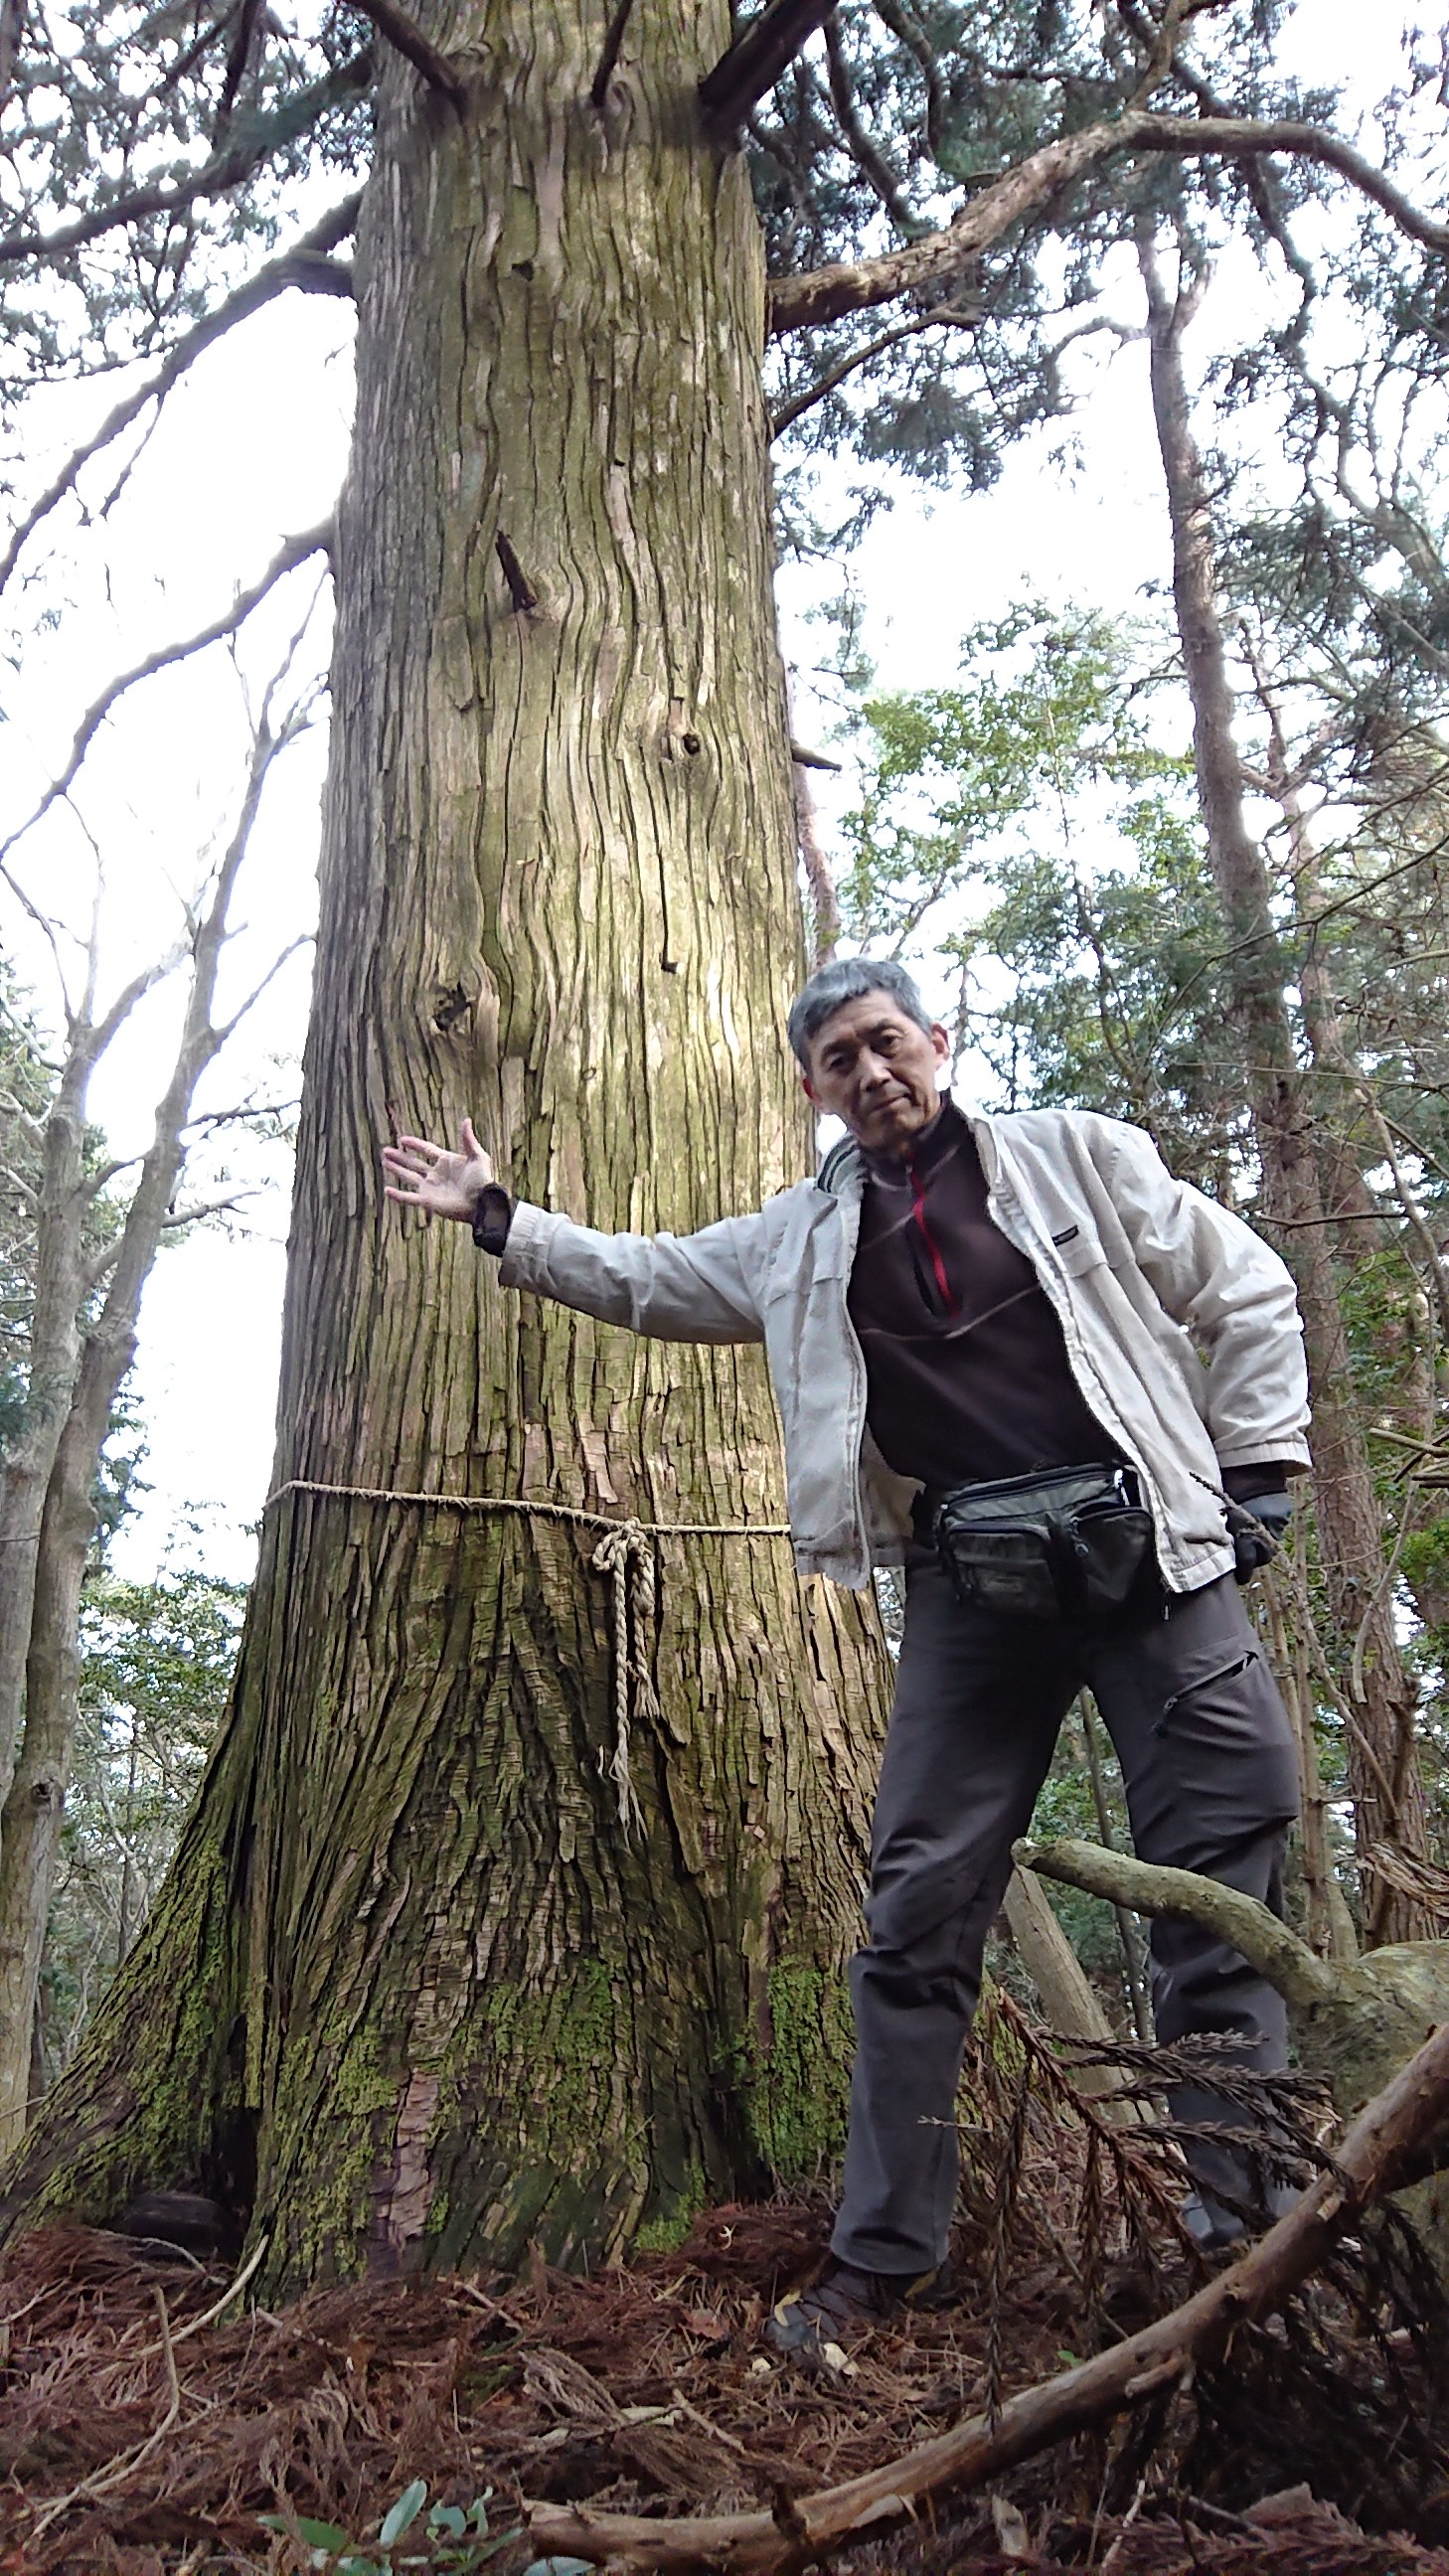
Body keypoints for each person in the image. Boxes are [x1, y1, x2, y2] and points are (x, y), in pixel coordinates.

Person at [383, 957, 1310, 2358]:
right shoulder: (800, 1237)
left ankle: (1243, 2250)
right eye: (837, 1060)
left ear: (937, 1042)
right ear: (811, 1090)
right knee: (915, 1917)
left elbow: (1238, 1286)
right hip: (971, 1586)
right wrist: (502, 1220)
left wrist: (1255, 1481)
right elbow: (653, 1281)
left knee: (1208, 1899)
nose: (871, 1074)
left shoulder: (1074, 1159)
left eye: (887, 1043)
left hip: (1155, 1564)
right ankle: (882, 2260)